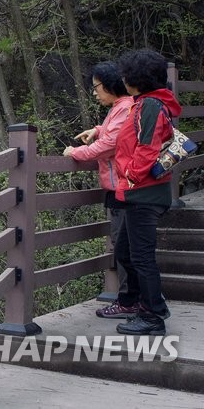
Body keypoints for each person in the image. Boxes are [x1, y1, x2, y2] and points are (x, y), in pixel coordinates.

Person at [110, 49, 179, 335]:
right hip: (139, 192)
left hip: (144, 193)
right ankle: (141, 304)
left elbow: (147, 148)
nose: (123, 78)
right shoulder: (145, 104)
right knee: (125, 251)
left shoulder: (150, 106)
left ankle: (153, 316)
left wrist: (129, 176)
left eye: (126, 74)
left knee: (141, 256)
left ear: (136, 79)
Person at [63, 62, 133, 317]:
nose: (94, 92)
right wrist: (98, 129)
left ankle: (129, 301)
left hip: (122, 188)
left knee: (124, 247)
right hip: (119, 187)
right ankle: (132, 300)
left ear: (111, 85)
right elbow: (112, 133)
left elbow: (110, 145)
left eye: (97, 87)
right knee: (123, 244)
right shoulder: (120, 108)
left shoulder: (124, 108)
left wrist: (75, 152)